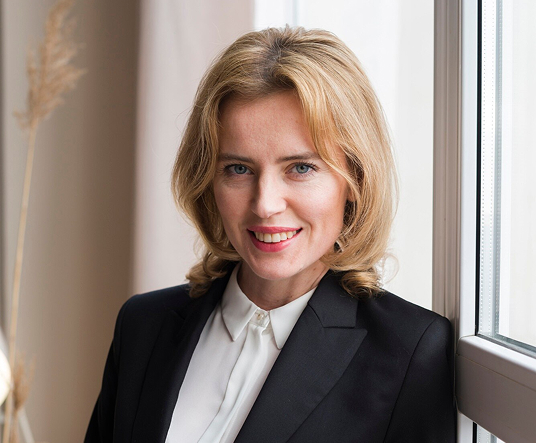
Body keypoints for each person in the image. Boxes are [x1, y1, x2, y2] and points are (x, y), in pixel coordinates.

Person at [85, 26, 456, 442]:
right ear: (208, 179)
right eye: (238, 169)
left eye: (301, 167)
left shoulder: (409, 351)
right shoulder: (142, 325)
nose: (265, 204)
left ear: (355, 177)